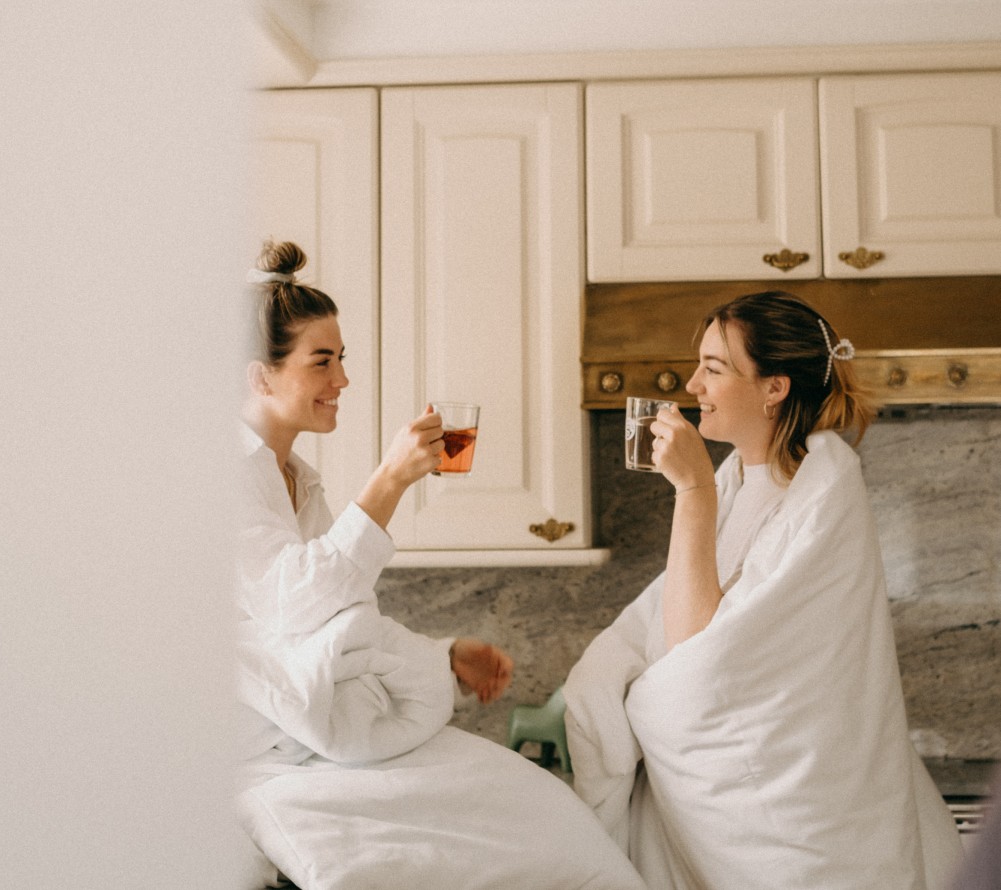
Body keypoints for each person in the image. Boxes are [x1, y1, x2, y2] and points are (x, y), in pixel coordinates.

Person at [235, 240, 647, 890]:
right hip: (272, 744)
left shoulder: (298, 480)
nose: (342, 380)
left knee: (539, 807)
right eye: (322, 361)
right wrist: (390, 480)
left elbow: (336, 626)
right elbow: (294, 606)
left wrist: (441, 656)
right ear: (260, 376)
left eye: (342, 359)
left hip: (321, 732)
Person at [563, 290, 965, 890]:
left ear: (773, 387)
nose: (693, 385)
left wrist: (692, 489)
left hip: (806, 822)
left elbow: (703, 664)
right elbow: (673, 621)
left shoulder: (823, 489)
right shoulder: (739, 480)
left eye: (714, 368)